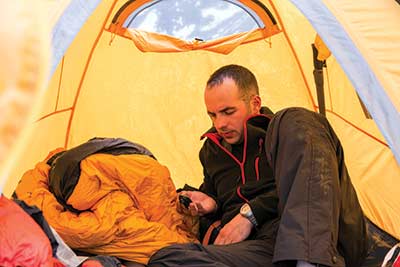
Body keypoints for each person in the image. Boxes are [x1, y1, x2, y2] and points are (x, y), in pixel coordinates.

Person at [147, 64, 395, 267]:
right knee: (166, 259)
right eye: (212, 115)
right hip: (261, 250)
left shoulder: (284, 134)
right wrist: (209, 203)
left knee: (296, 117)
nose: (220, 124)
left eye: (228, 111)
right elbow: (216, 194)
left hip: (317, 238)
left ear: (254, 103)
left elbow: (310, 185)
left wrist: (251, 214)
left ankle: (309, 262)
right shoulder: (211, 151)